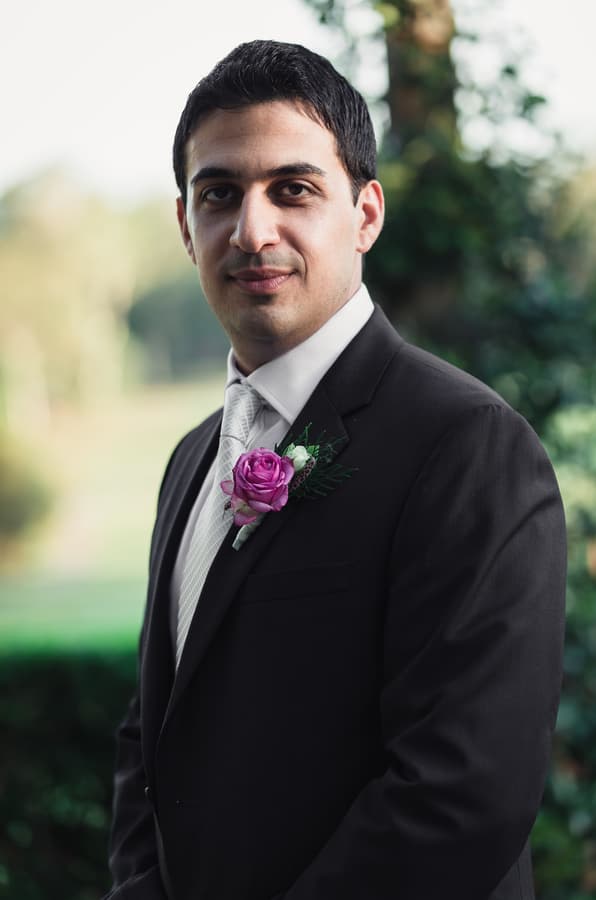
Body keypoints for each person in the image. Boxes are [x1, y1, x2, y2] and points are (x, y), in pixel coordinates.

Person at [105, 40, 566, 900]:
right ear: (184, 225)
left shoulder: (469, 448)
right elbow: (151, 739)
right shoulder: (191, 460)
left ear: (365, 214)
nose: (251, 229)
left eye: (294, 189)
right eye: (219, 194)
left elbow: (462, 795)